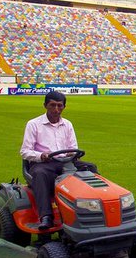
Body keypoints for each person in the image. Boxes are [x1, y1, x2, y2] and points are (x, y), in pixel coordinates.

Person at [20, 91, 98, 229]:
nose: (56, 109)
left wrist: (73, 154)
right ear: (45, 105)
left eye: (59, 106)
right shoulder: (34, 124)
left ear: (64, 107)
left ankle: (93, 207)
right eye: (52, 105)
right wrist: (41, 155)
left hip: (66, 162)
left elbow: (73, 147)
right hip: (44, 163)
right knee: (40, 174)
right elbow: (25, 151)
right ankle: (46, 217)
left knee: (91, 168)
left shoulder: (67, 124)